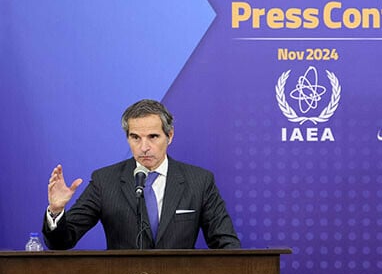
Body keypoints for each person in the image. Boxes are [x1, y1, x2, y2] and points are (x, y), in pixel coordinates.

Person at [43, 99, 241, 250]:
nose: (144, 147)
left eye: (153, 136)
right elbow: (61, 242)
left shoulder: (199, 181)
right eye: (135, 137)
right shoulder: (105, 181)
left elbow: (226, 243)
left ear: (169, 136)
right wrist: (56, 210)